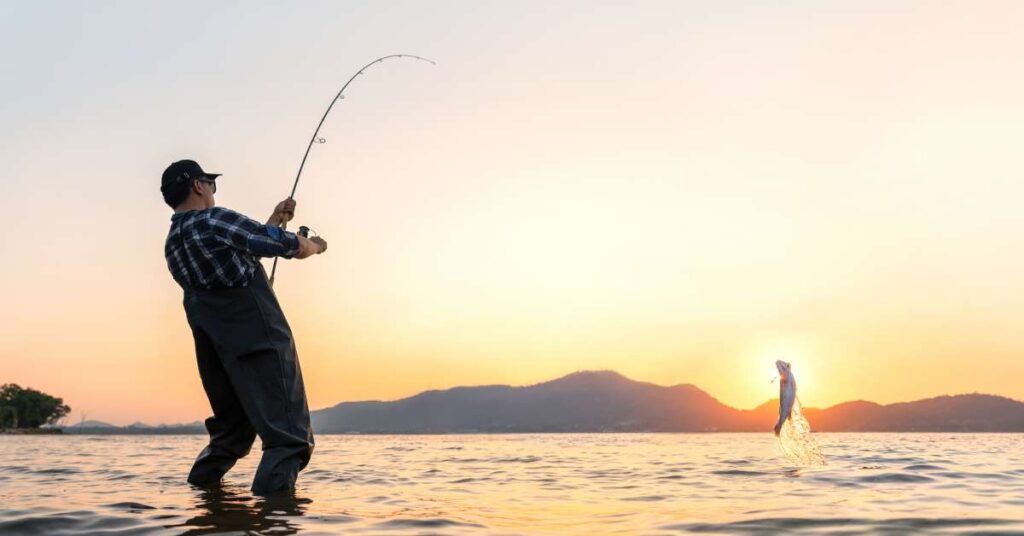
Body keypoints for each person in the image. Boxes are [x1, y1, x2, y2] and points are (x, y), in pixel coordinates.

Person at [160, 159, 327, 495]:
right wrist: (314, 245)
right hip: (260, 346)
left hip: (219, 358)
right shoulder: (213, 220)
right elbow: (285, 246)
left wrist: (275, 218)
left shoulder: (174, 244)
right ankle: (275, 520)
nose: (212, 191)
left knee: (230, 437)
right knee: (288, 440)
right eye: (211, 184)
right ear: (198, 185)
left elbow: (241, 256)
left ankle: (206, 507)